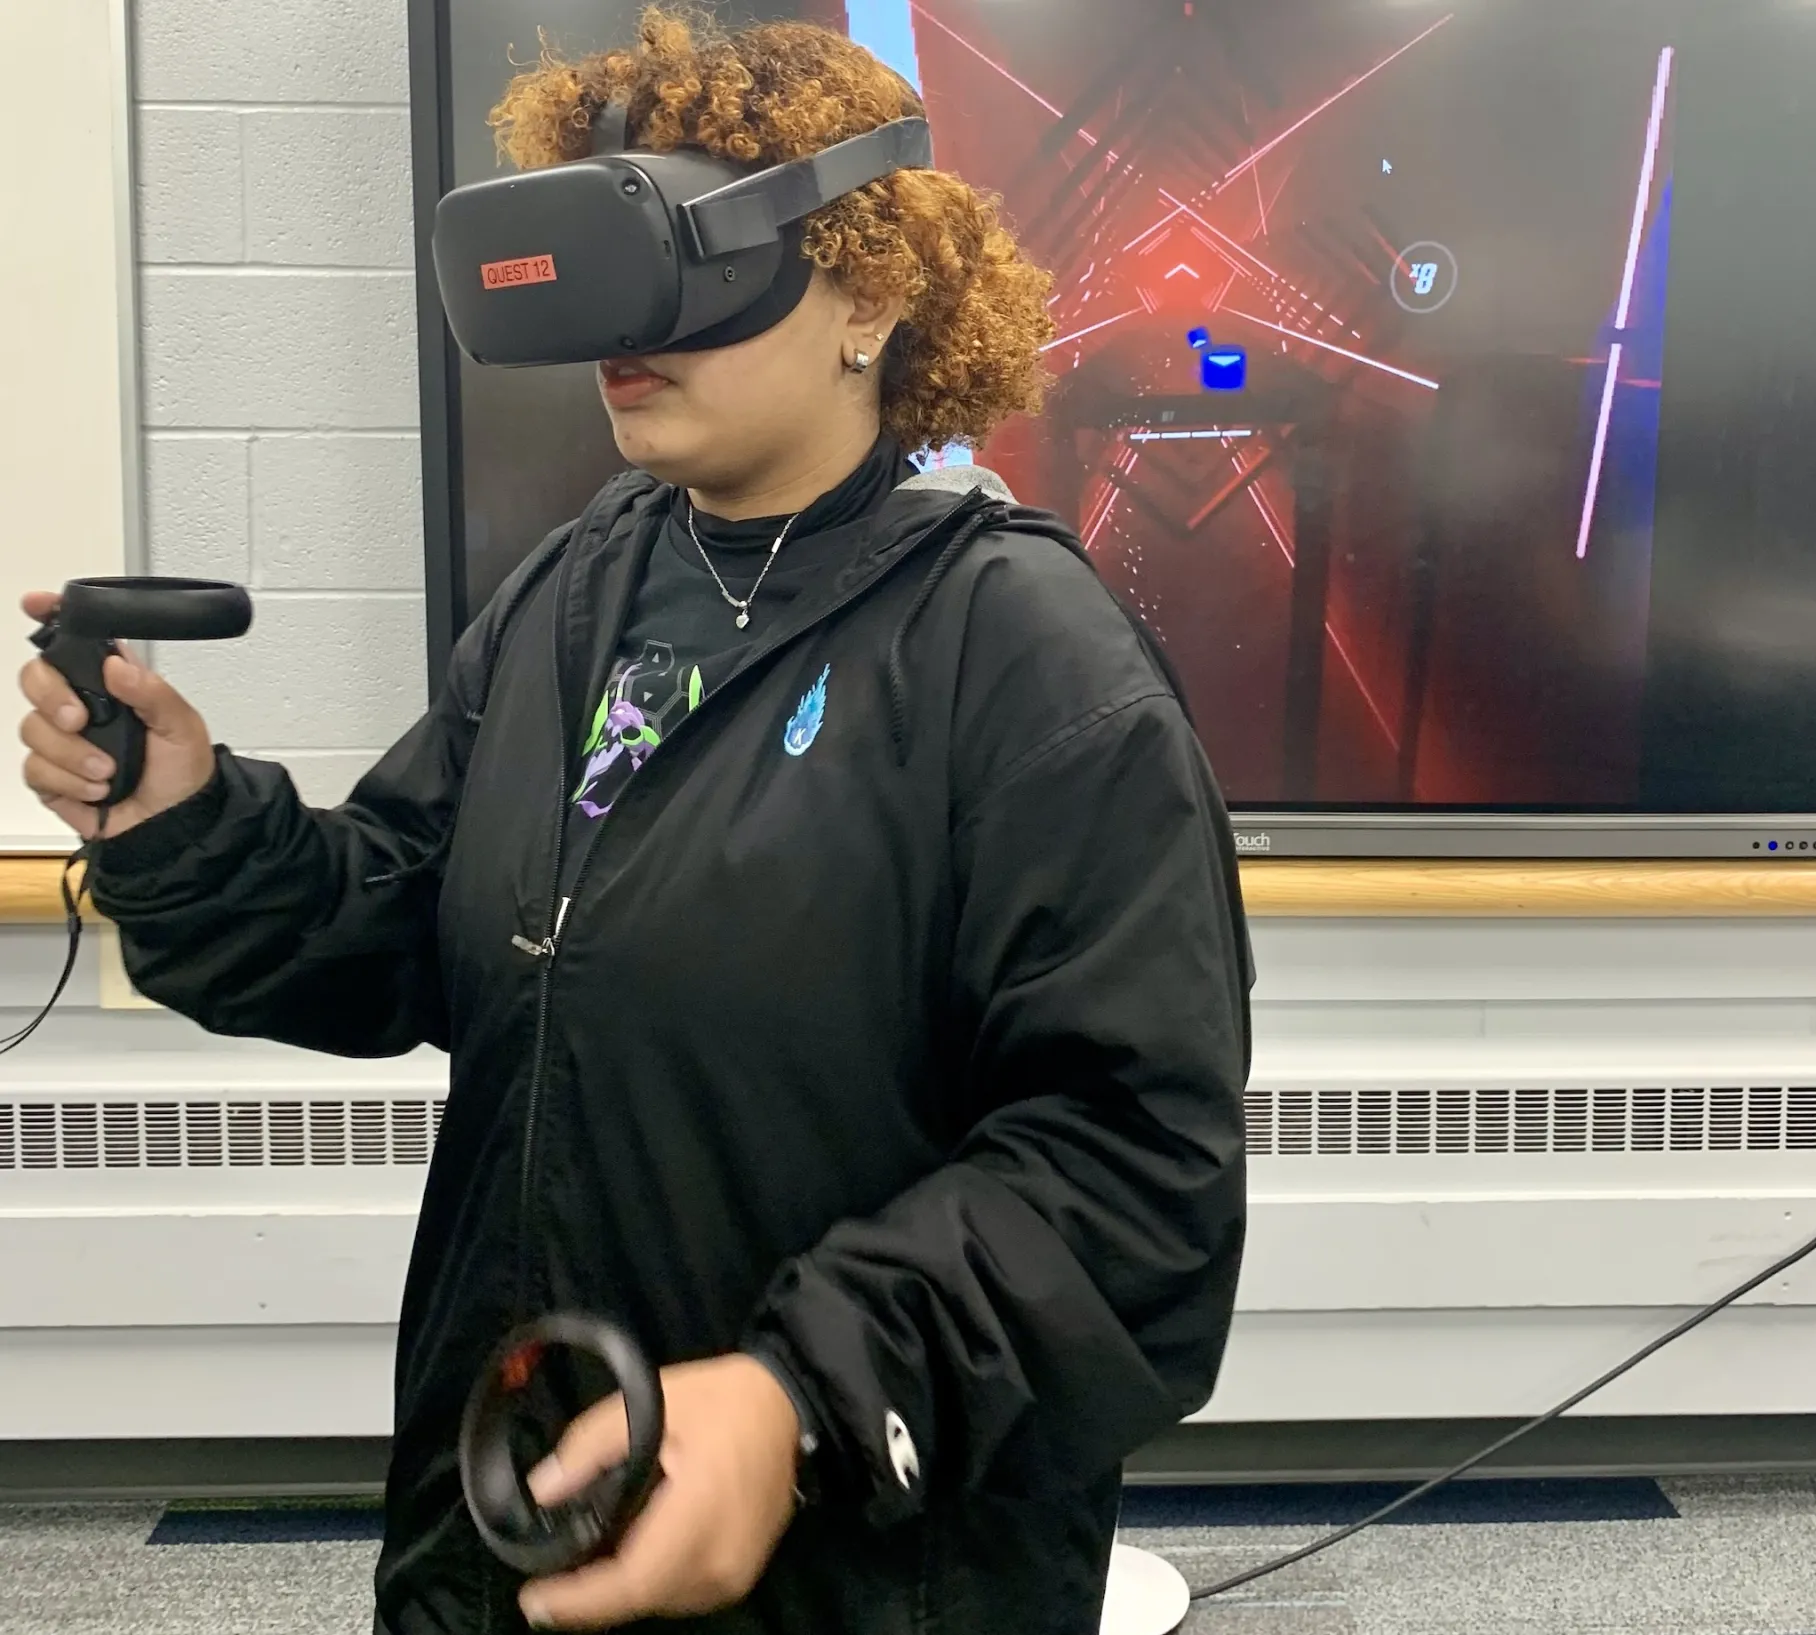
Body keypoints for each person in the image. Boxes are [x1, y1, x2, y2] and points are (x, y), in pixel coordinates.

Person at [17, 11, 1250, 1633]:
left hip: (853, 1575)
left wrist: (801, 1393)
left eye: (691, 265)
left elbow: (1130, 1174)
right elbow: (406, 914)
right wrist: (190, 820)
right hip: (514, 1505)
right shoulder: (578, 592)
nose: (629, 333)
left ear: (872, 292)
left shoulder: (1023, 660)